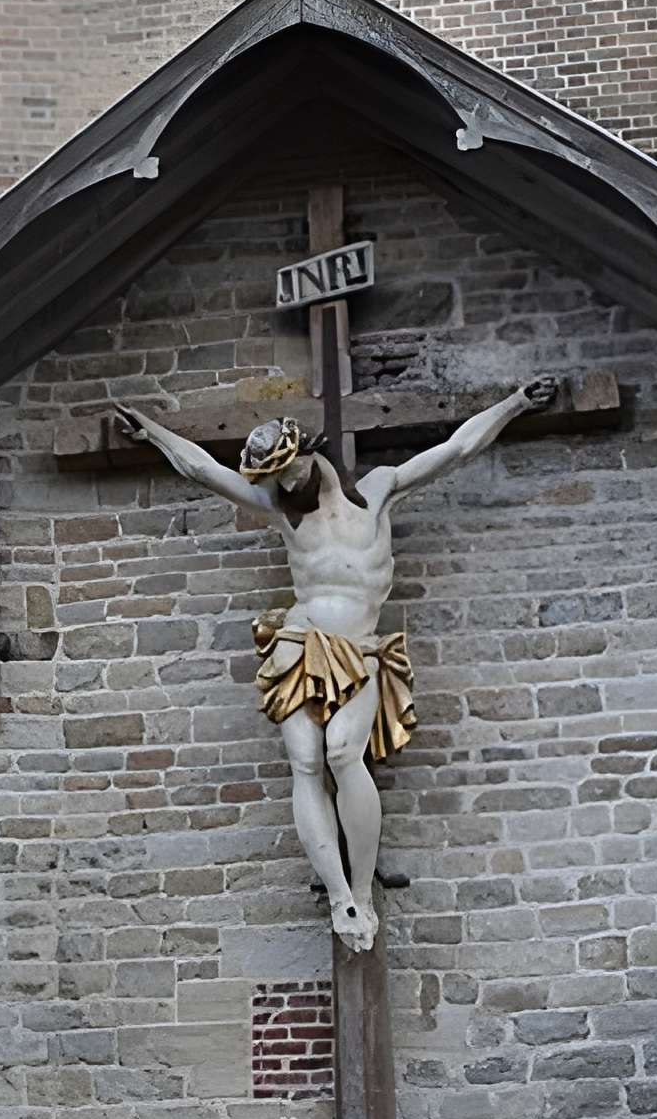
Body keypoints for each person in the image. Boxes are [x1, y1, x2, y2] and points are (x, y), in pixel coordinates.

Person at [111, 378, 558, 951]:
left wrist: (516, 403)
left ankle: (363, 892)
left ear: (308, 454)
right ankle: (340, 898)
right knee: (304, 759)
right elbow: (203, 471)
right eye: (273, 480)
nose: (284, 487)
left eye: (287, 473)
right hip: (300, 642)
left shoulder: (377, 492)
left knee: (345, 751)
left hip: (359, 648)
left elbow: (458, 448)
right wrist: (151, 433)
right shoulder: (280, 508)